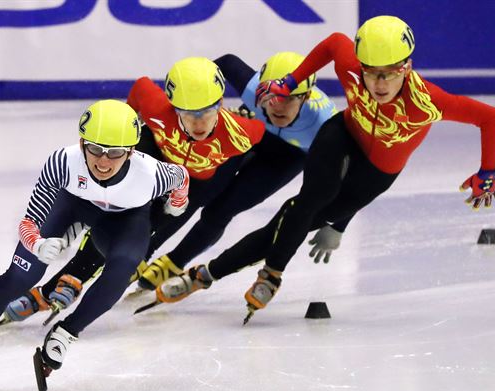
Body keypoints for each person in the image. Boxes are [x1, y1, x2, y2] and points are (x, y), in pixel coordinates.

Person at [153, 15, 495, 324]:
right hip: (342, 135)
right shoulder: (352, 68)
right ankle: (272, 276)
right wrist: (291, 81)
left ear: (406, 67)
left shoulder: (428, 102)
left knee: (284, 224)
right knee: (303, 207)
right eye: (370, 74)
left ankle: (204, 275)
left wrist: (487, 172)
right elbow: (334, 43)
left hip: (377, 171)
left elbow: (491, 117)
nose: (378, 85)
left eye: (387, 75)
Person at [0, 99, 190, 391]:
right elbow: (29, 222)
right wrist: (36, 244)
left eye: (115, 153)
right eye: (95, 149)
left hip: (123, 220)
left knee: (123, 267)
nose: (103, 161)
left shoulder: (151, 175)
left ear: (131, 152)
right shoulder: (63, 162)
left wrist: (177, 203)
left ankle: (66, 333)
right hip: (73, 207)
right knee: (21, 277)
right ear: (81, 142)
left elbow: (182, 178)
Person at [0, 57, 266, 325]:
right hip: (155, 159)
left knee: (142, 228)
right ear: (174, 107)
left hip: (191, 183)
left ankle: (66, 281)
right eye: (187, 113)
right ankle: (70, 276)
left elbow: (260, 142)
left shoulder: (243, 134)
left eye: (206, 112)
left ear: (220, 104)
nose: (198, 123)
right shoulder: (159, 109)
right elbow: (140, 89)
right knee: (113, 208)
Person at [135, 51, 342, 291]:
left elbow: (350, 174)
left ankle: (175, 262)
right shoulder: (252, 90)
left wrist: (337, 224)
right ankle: (144, 250)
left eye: (289, 99)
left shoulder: (324, 125)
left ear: (306, 97)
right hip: (246, 132)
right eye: (271, 96)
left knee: (221, 211)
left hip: (286, 157)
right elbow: (225, 63)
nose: (277, 106)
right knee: (198, 191)